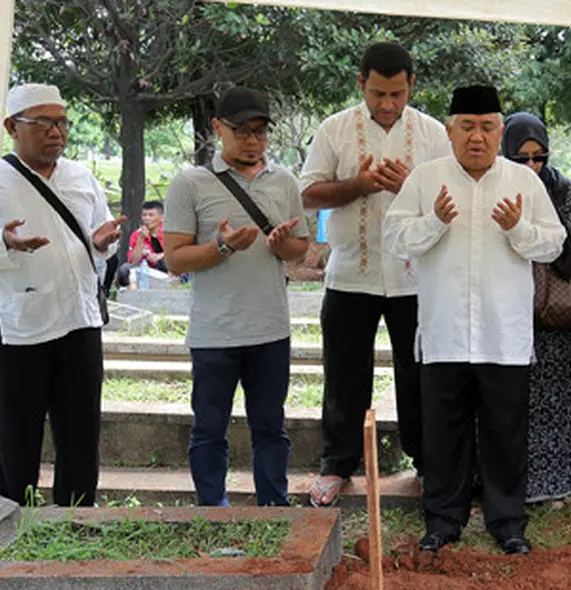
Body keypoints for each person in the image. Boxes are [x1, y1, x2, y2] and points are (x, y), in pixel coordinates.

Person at [384, 85, 565, 555]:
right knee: (444, 434)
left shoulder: (524, 183)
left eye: (487, 127)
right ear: (450, 130)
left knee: (506, 434)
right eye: (467, 126)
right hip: (445, 333)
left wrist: (516, 228)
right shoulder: (426, 180)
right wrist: (435, 222)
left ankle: (508, 523)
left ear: (499, 130)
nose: (477, 137)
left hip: (503, 334)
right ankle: (443, 521)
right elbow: (396, 239)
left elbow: (553, 244)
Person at [0, 83, 124, 506]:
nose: (56, 132)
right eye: (43, 123)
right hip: (16, 329)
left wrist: (102, 243)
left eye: (61, 122)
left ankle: (76, 519)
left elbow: (98, 237)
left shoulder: (81, 176)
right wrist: (1, 243)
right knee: (12, 440)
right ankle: (10, 525)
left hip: (79, 322)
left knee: (80, 434)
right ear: (11, 127)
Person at [299, 42, 450, 505]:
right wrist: (358, 186)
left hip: (415, 278)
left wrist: (411, 186)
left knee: (418, 371)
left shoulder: (433, 133)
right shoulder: (335, 129)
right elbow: (308, 194)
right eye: (379, 93)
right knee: (345, 372)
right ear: (361, 83)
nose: (387, 104)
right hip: (350, 273)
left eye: (397, 94)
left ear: (412, 87)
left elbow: (450, 199)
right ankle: (337, 465)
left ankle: (426, 464)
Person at [162, 87, 310, 506]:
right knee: (209, 428)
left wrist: (282, 244)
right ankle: (213, 509)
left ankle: (274, 508)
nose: (252, 141)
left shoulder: (284, 182)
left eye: (260, 132)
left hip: (270, 330)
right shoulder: (190, 183)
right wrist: (222, 247)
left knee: (270, 427)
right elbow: (175, 259)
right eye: (241, 131)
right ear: (217, 129)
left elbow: (300, 250)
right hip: (215, 334)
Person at [500, 112, 571, 503]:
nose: (532, 166)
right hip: (504, 307)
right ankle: (502, 482)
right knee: (507, 400)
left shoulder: (563, 188)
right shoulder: (495, 185)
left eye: (539, 157)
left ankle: (551, 484)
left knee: (552, 400)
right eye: (522, 159)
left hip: (552, 313)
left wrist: (527, 236)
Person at [116, 201, 168, 289]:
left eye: (151, 215)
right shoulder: (136, 234)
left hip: (166, 269)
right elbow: (133, 262)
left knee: (164, 261)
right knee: (124, 269)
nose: (147, 218)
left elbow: (179, 252)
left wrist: (160, 256)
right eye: (144, 215)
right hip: (145, 270)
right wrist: (140, 240)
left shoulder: (169, 232)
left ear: (161, 217)